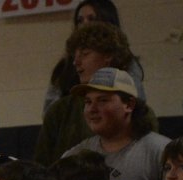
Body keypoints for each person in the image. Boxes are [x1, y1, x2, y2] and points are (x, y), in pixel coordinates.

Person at [34, 23, 157, 166]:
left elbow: (149, 161)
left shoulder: (142, 113)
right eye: (75, 55)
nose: (76, 62)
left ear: (108, 55)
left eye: (85, 54)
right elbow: (41, 168)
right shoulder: (59, 111)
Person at [61, 67, 170, 180]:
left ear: (129, 105)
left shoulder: (161, 151)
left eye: (102, 100)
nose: (92, 109)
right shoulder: (74, 156)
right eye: (88, 102)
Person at [44, 0, 148, 111]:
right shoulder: (64, 68)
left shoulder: (127, 64)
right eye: (80, 20)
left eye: (91, 19)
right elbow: (50, 113)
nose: (84, 24)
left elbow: (138, 106)